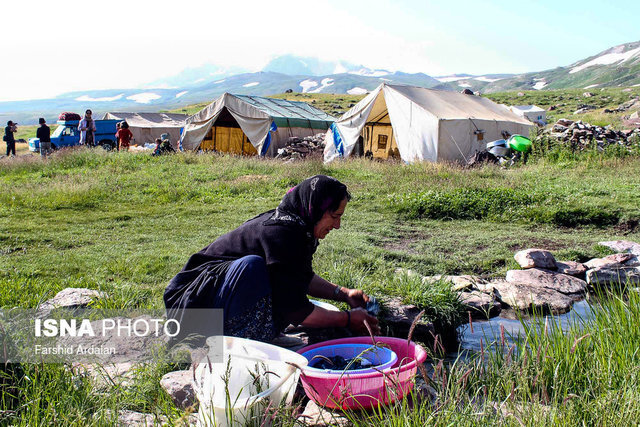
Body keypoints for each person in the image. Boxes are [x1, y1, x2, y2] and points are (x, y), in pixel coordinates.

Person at [164, 175, 380, 342]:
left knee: (278, 289)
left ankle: (254, 334)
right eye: (334, 216)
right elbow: (296, 310)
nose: (337, 225)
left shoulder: (298, 229)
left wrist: (343, 294)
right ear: (316, 209)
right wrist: (348, 319)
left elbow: (296, 276)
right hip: (192, 305)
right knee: (253, 268)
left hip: (218, 299)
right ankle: (227, 342)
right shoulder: (282, 233)